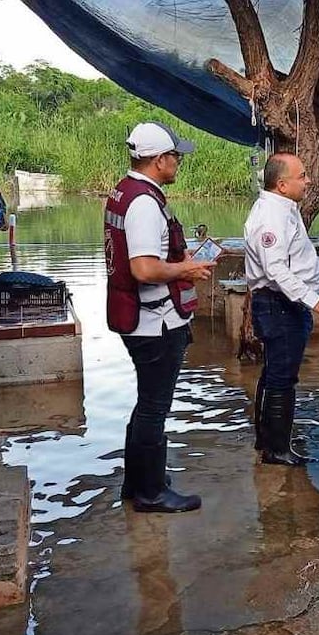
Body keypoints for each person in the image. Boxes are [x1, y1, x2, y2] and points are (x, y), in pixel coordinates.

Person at [104, 121, 215, 512]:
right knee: (154, 406)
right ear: (159, 160)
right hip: (154, 322)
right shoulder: (144, 205)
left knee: (146, 403)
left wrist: (179, 262)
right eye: (175, 156)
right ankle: (151, 493)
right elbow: (145, 270)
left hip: (136, 315)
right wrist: (185, 270)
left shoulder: (125, 190)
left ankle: (139, 481)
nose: (178, 162)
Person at [244, 153, 319, 466]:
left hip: (285, 304)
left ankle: (270, 439)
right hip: (279, 305)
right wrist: (314, 300)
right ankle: (277, 449)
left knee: (275, 374)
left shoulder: (283, 208)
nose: (308, 180)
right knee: (282, 378)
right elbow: (276, 271)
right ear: (282, 184)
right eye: (302, 176)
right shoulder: (271, 216)